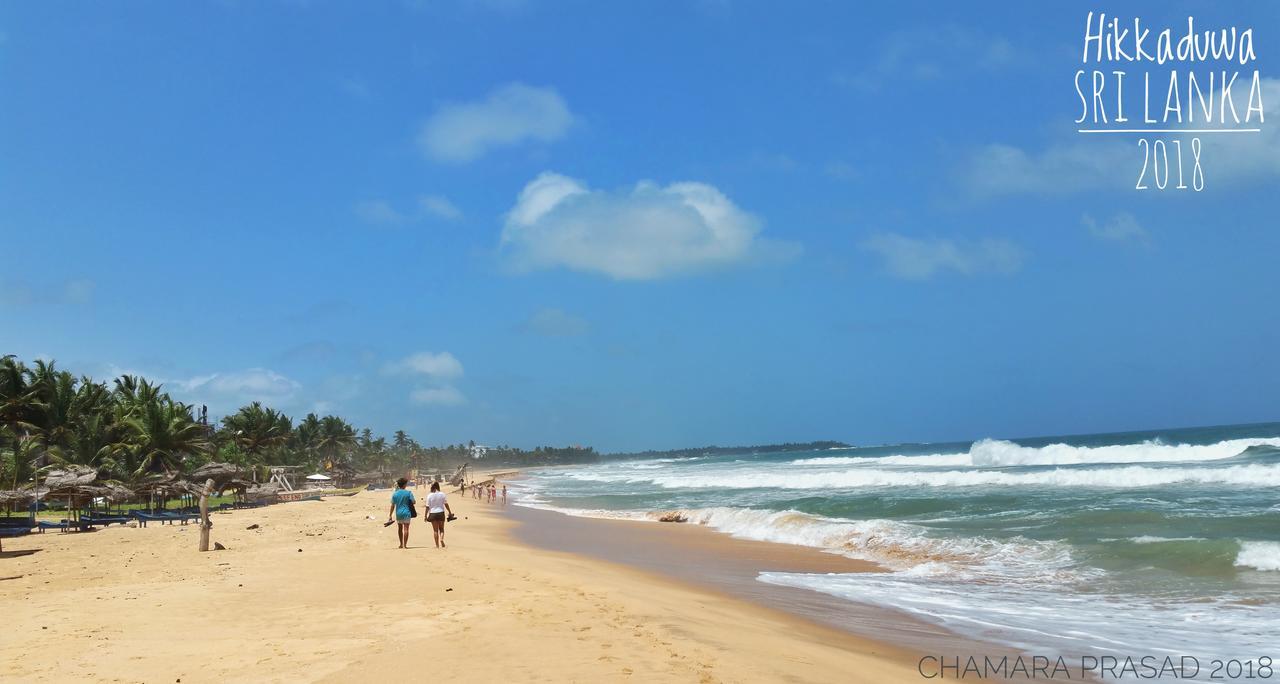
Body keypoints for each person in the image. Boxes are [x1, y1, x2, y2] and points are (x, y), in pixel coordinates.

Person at [387, 478, 415, 549]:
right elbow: (414, 502)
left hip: (398, 513)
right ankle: (405, 545)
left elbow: (392, 505)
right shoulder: (409, 493)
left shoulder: (395, 494)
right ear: (404, 485)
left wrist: (390, 515)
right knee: (406, 529)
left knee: (400, 529)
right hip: (406, 513)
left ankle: (401, 544)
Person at [425, 481, 453, 548]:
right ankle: (441, 539)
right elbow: (446, 504)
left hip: (432, 513)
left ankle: (437, 545)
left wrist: (425, 515)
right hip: (441, 513)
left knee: (435, 530)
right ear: (438, 486)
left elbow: (427, 507)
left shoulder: (429, 495)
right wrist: (449, 512)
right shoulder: (442, 494)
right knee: (441, 529)